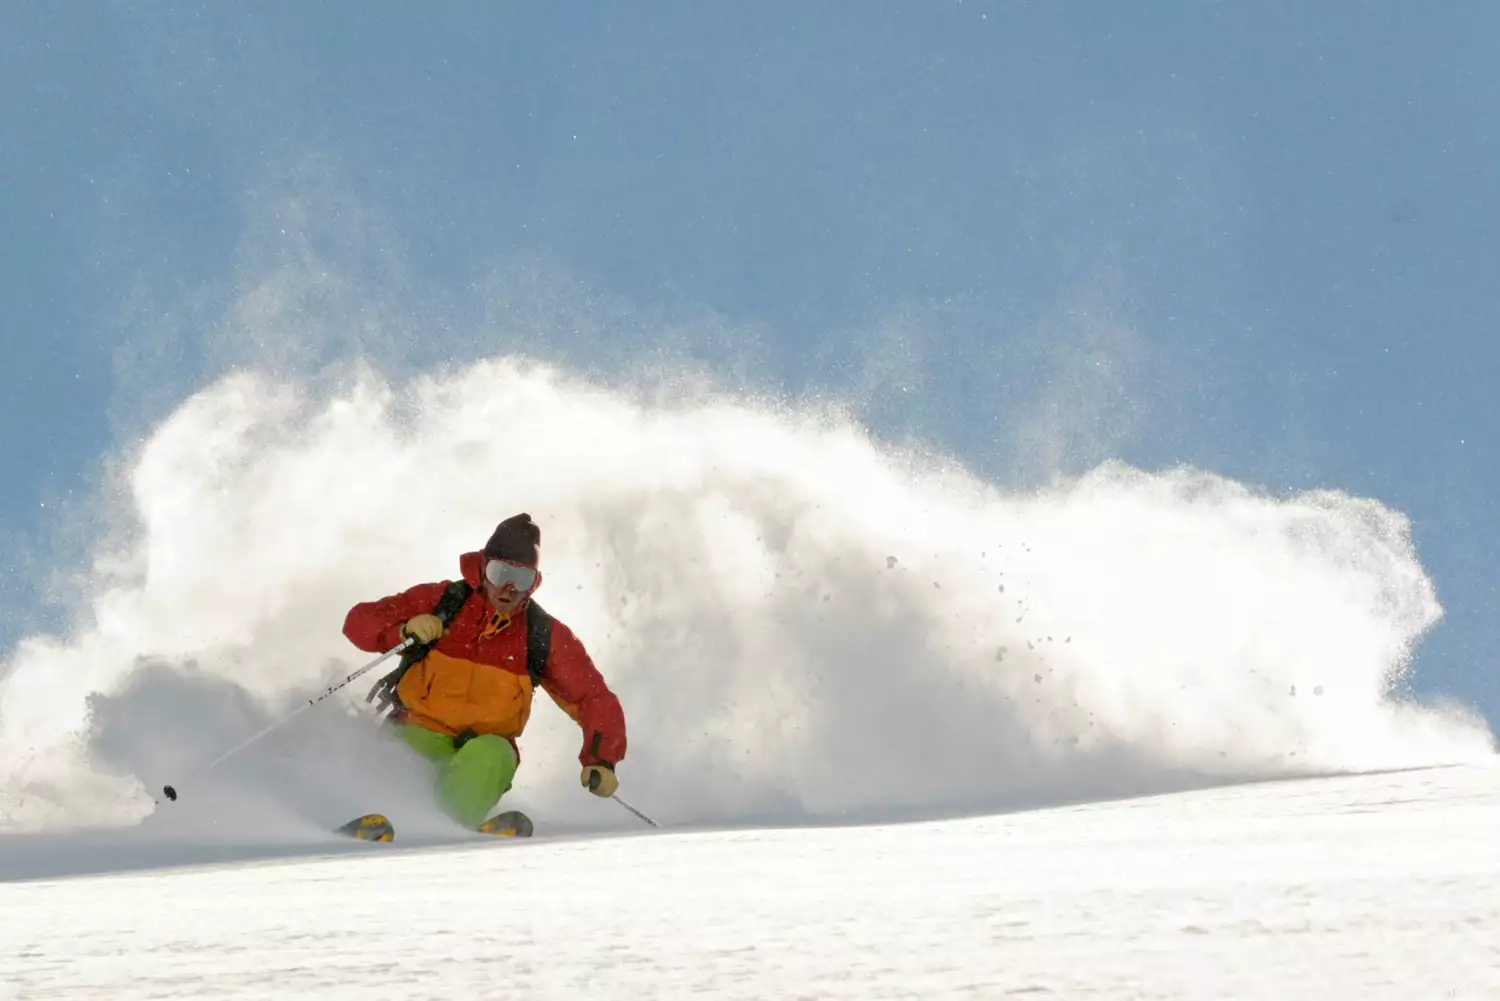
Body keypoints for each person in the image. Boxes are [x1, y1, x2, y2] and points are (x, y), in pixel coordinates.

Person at [341, 513, 627, 835]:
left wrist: (601, 759)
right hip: (417, 731)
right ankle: (373, 828)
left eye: (521, 579)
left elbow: (592, 697)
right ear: (483, 569)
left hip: (482, 754)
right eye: (500, 573)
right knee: (403, 754)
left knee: (494, 754)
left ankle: (442, 834)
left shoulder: (542, 636)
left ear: (534, 583)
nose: (508, 589)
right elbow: (358, 622)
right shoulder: (442, 602)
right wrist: (404, 630)